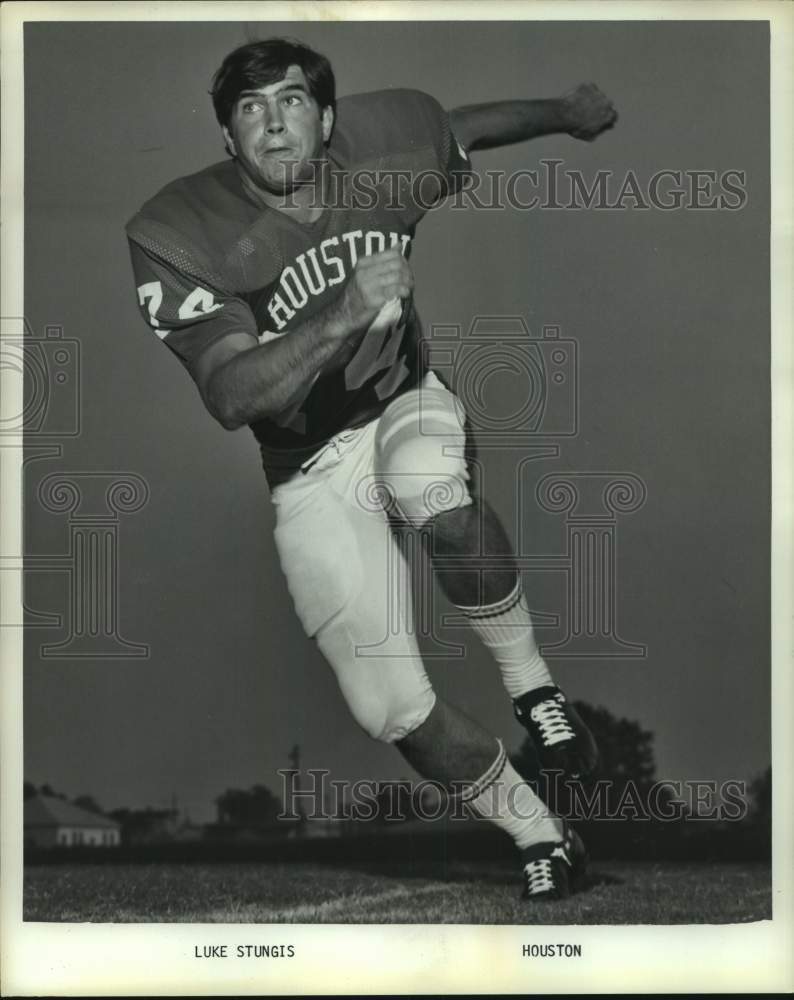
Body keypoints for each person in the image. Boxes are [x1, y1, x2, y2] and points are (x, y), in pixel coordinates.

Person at [126, 37, 617, 900]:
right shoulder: (180, 232)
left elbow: (460, 131)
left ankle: (535, 691)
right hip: (307, 462)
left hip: (403, 402)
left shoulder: (386, 145)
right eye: (249, 110)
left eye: (289, 101)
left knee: (429, 488)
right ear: (227, 139)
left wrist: (565, 116)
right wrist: (342, 316)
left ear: (328, 117)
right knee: (389, 707)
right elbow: (232, 394)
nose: (273, 124)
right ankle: (544, 835)